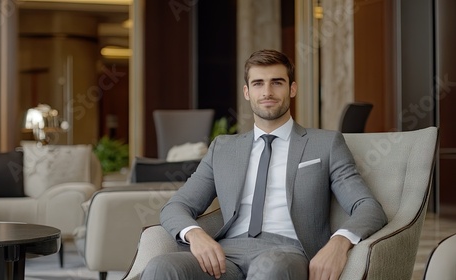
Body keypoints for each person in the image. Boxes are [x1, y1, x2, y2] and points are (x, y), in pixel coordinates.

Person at [141, 49, 388, 280]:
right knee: (162, 267)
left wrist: (339, 242)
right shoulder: (223, 148)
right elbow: (176, 206)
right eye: (258, 83)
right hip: (226, 253)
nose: (267, 92)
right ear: (247, 92)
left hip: (289, 251)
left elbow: (367, 207)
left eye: (276, 82)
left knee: (269, 267)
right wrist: (196, 236)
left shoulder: (325, 144)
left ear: (292, 89)